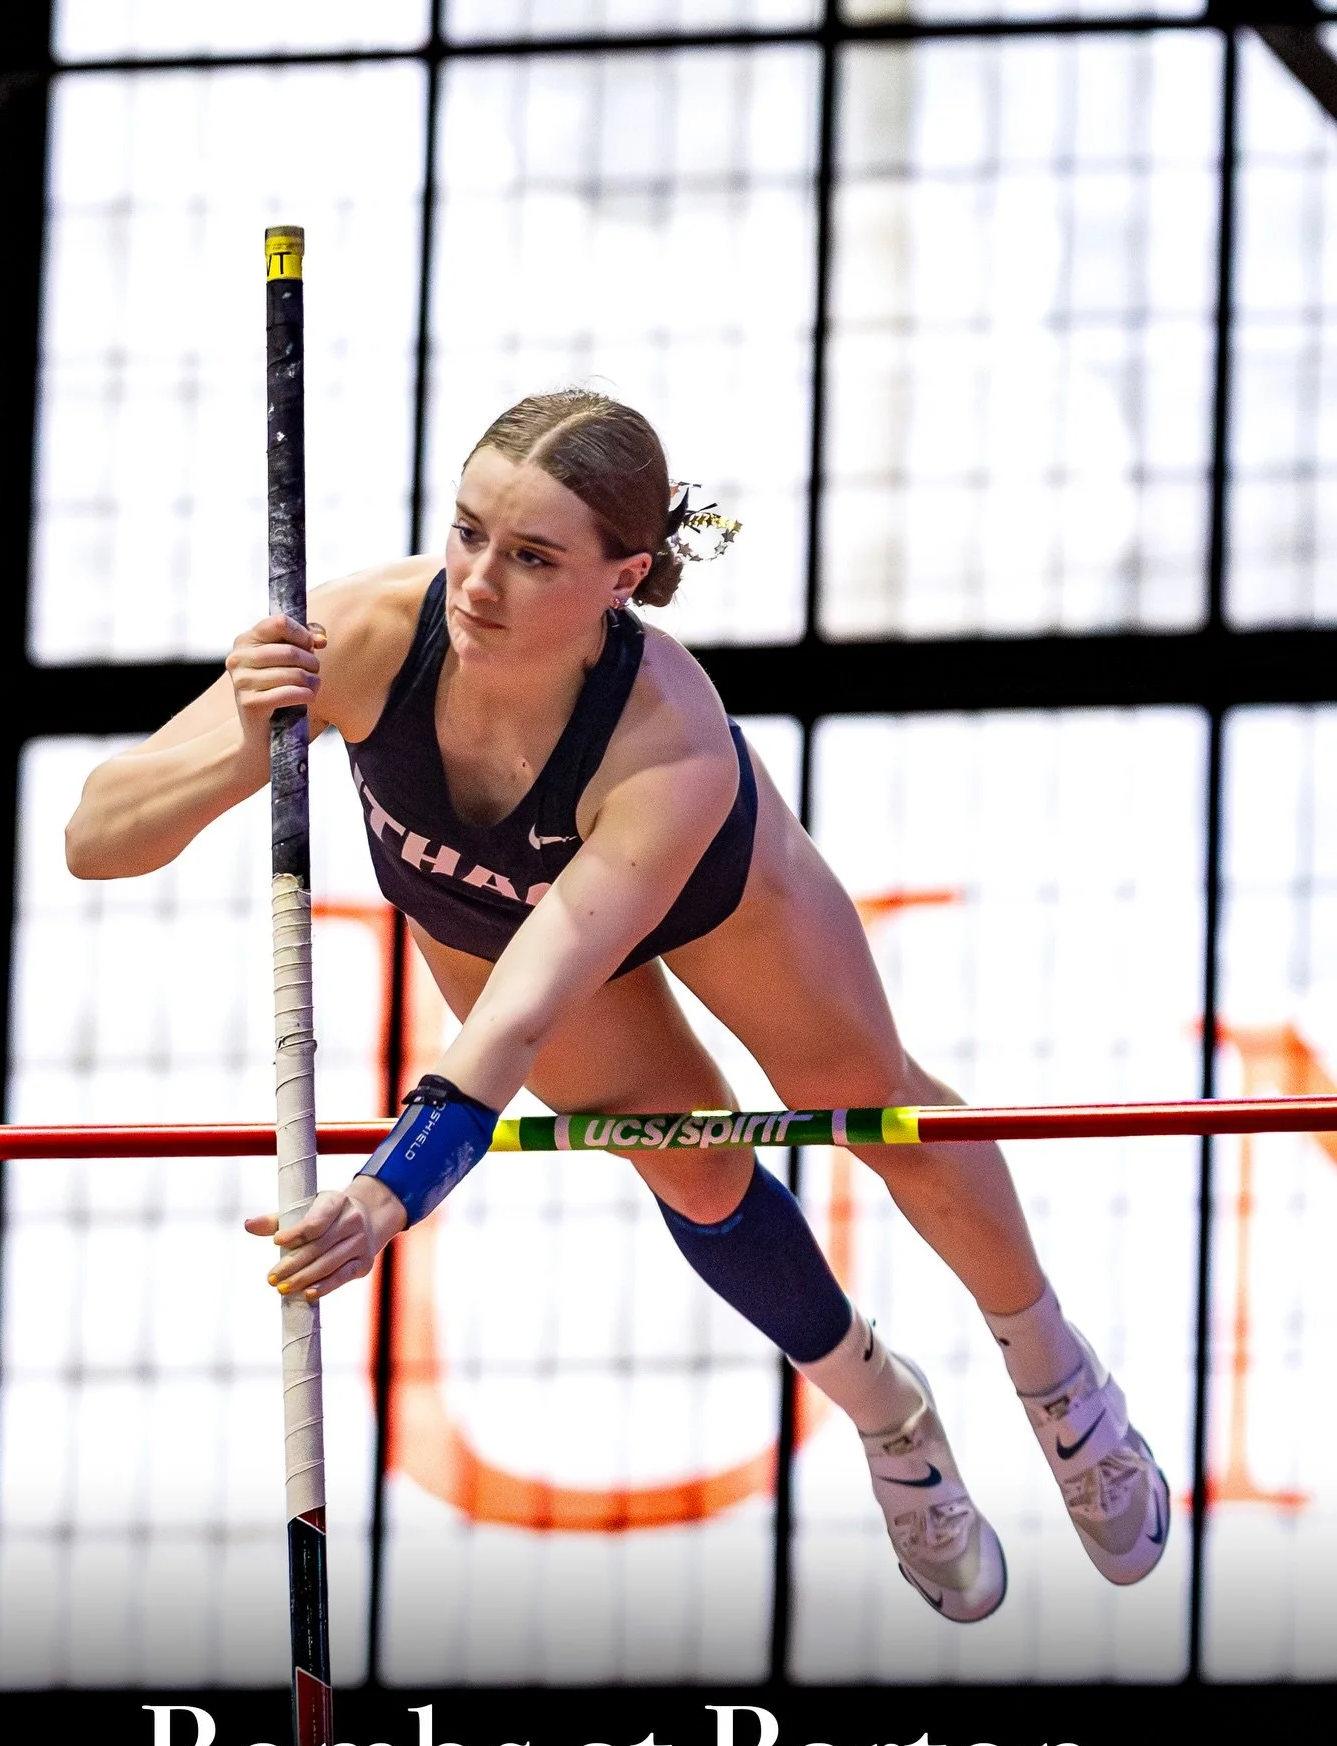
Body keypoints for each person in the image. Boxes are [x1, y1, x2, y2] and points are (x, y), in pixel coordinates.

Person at [65, 389, 1169, 1622]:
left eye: (533, 557)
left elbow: (522, 1019)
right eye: (468, 530)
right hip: (482, 921)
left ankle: (1058, 1381)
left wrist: (390, 1190)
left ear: (622, 576)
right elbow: (95, 840)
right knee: (692, 1170)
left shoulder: (668, 739)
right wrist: (242, 732)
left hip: (715, 897)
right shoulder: (361, 633)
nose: (478, 581)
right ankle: (890, 1417)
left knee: (862, 1107)